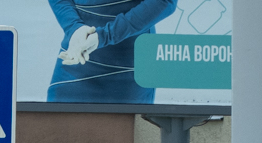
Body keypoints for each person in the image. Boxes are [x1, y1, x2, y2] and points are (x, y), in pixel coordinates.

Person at [47, 0, 177, 104]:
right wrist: (74, 27)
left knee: (126, 135)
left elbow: (164, 2)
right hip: (76, 53)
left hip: (128, 66)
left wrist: (105, 35)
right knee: (57, 131)